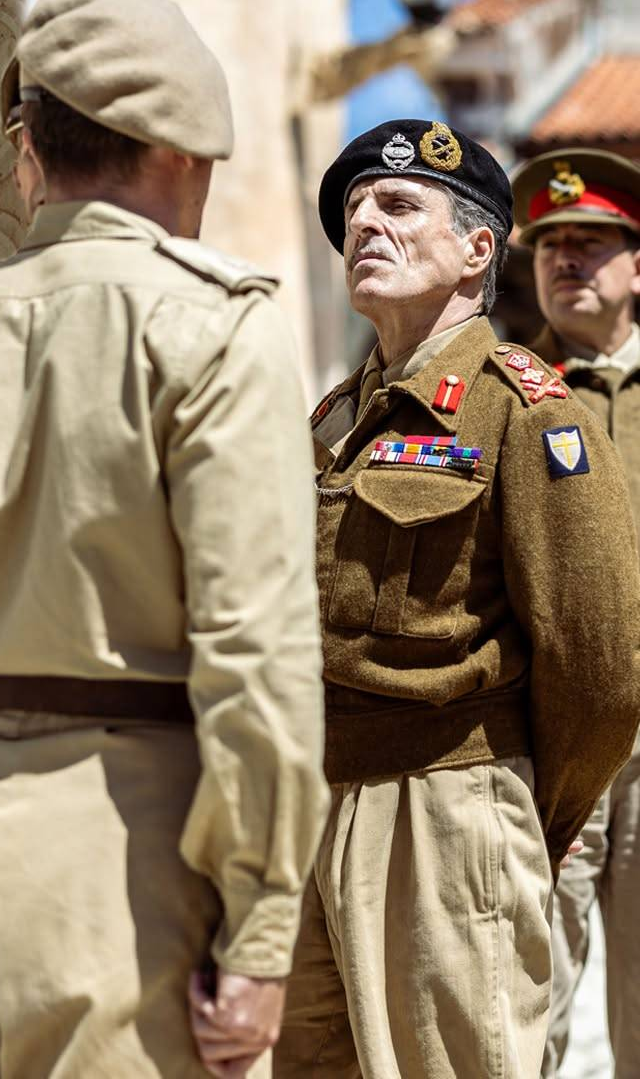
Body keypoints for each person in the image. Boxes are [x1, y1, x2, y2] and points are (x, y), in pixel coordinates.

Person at [0, 0, 329, 1075]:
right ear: (183, 152)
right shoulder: (214, 329)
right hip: (127, 859)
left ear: (25, 158)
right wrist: (262, 927)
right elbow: (255, 657)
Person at [273, 120, 640, 1078]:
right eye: (353, 211)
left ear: (478, 250)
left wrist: (513, 813)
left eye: (398, 207)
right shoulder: (336, 418)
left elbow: (598, 667)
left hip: (445, 809)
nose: (365, 226)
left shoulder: (525, 411)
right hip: (316, 804)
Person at [510, 148, 640, 1078]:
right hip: (551, 749)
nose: (566, 260)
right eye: (552, 244)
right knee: (527, 1001)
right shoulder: (510, 398)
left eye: (593, 244)